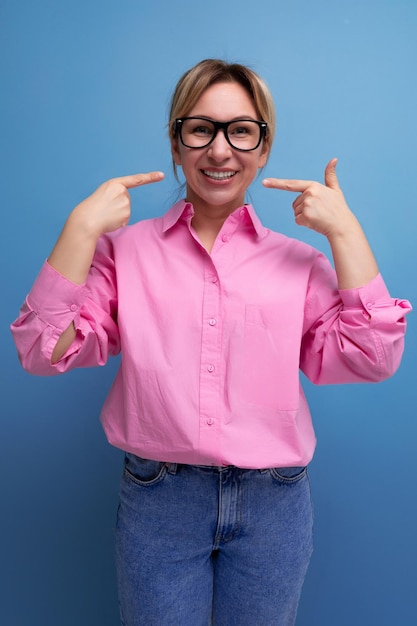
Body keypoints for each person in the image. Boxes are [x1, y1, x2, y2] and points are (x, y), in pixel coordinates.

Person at [11, 59, 411, 626]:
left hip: (276, 503)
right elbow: (40, 353)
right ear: (176, 144)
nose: (220, 151)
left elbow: (374, 358)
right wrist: (80, 229)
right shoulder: (124, 253)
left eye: (241, 130)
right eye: (200, 129)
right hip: (159, 499)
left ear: (264, 147)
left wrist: (347, 233)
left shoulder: (301, 263)